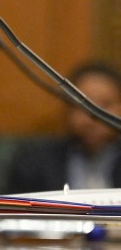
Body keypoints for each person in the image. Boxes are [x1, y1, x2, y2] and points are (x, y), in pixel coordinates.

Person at [6, 61, 121, 193]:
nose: (92, 118)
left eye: (105, 105)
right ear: (68, 108)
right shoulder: (34, 162)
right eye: (84, 105)